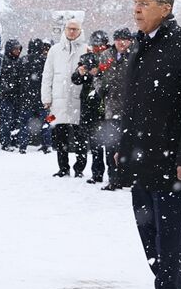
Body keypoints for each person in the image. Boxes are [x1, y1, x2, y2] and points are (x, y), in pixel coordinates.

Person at [113, 0, 181, 289]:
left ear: (165, 8)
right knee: (146, 226)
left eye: (144, 3)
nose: (136, 9)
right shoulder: (140, 45)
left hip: (169, 155)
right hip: (140, 153)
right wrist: (123, 147)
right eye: (134, 3)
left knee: (167, 229)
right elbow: (132, 105)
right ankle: (172, 286)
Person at [42, 18, 87, 177]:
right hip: (58, 99)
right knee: (59, 135)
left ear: (80, 31)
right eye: (69, 28)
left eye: (75, 29)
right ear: (65, 29)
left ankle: (79, 168)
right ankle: (63, 167)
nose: (72, 31)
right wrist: (46, 98)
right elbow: (47, 75)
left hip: (78, 98)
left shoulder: (86, 49)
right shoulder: (55, 50)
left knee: (81, 136)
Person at [96, 27, 134, 189]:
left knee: (128, 145)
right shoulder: (106, 56)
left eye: (125, 39)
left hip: (131, 108)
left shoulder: (135, 55)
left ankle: (129, 177)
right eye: (118, 39)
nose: (121, 42)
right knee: (111, 145)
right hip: (111, 106)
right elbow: (98, 76)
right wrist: (101, 89)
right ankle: (114, 178)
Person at [70, 49, 105, 184]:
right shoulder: (85, 61)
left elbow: (109, 79)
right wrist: (81, 72)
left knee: (101, 143)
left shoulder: (107, 59)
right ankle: (90, 171)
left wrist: (98, 72)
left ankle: (101, 172)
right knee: (89, 141)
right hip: (88, 108)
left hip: (102, 106)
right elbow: (75, 79)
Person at [0, 39, 25, 150]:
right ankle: (6, 142)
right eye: (15, 49)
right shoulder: (4, 61)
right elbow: (1, 79)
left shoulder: (19, 61)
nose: (18, 51)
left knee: (15, 120)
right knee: (7, 120)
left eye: (19, 49)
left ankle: (13, 141)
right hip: (7, 96)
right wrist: (7, 88)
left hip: (16, 96)